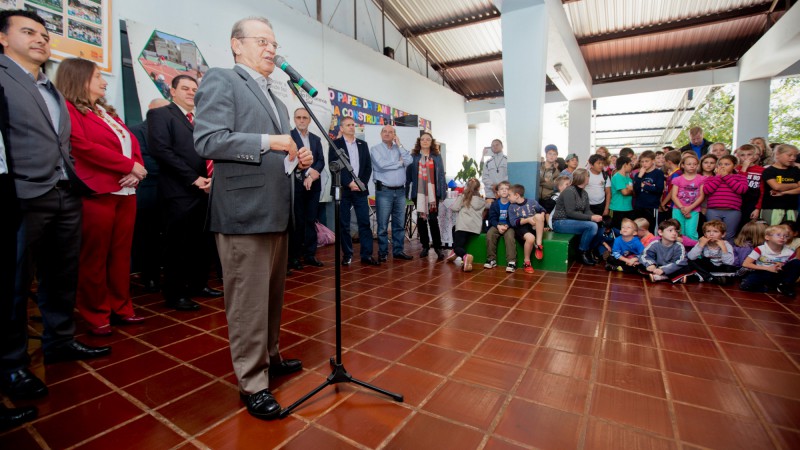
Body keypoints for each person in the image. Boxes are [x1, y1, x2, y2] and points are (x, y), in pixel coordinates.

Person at [192, 16, 311, 420]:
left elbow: (276, 157)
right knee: (246, 303)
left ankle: (271, 356)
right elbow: (208, 140)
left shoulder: (278, 100)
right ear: (236, 45)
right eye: (262, 41)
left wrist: (296, 157)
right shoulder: (222, 80)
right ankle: (252, 382)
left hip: (277, 210)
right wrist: (272, 141)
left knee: (271, 298)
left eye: (274, 43)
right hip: (242, 212)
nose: (271, 49)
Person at [1, 10, 110, 402]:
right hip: (22, 192)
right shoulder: (3, 77)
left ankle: (60, 340)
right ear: (2, 38)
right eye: (28, 32)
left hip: (64, 191)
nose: (40, 40)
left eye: (45, 35)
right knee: (14, 283)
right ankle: (12, 365)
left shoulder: (50, 88)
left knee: (61, 273)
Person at [57, 57, 147, 336]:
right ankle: (96, 312)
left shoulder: (107, 112)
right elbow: (81, 146)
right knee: (94, 256)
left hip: (126, 190)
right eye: (98, 77)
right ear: (79, 78)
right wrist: (126, 166)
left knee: (121, 254)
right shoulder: (69, 109)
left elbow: (130, 143)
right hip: (97, 191)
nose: (104, 82)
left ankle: (122, 306)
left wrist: (136, 169)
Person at [148, 74, 223, 312]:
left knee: (200, 244)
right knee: (177, 246)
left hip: (205, 190)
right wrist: (193, 178)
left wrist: (211, 179)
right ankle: (175, 294)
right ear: (172, 91)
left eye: (194, 89)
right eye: (186, 88)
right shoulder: (161, 115)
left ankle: (199, 285)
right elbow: (161, 150)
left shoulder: (199, 120)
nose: (191, 92)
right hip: (178, 192)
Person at [129, 98, 170, 292]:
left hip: (170, 193)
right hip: (148, 193)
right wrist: (175, 167)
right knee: (148, 238)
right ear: (150, 111)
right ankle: (150, 277)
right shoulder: (136, 131)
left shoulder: (172, 131)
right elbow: (143, 163)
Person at [330, 117, 377, 265]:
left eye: (353, 125)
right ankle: (347, 255)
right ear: (341, 128)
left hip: (360, 189)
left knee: (364, 222)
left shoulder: (363, 144)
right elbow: (333, 166)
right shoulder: (335, 144)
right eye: (348, 125)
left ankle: (366, 255)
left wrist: (360, 182)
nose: (351, 127)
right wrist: (349, 182)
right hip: (344, 189)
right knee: (344, 224)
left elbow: (368, 167)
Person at [289, 107, 325, 268]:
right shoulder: (289, 137)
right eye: (299, 117)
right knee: (297, 222)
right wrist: (307, 174)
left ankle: (310, 254)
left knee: (311, 220)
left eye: (305, 117)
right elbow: (289, 160)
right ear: (294, 119)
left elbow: (321, 161)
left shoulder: (316, 140)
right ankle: (295, 257)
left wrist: (311, 175)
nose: (302, 120)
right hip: (295, 186)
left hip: (313, 188)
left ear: (310, 120)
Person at [371, 124, 412, 261]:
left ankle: (398, 251)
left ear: (395, 135)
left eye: (391, 132)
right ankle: (382, 253)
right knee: (382, 225)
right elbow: (381, 166)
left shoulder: (398, 149)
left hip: (400, 192)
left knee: (399, 224)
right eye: (385, 131)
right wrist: (399, 163)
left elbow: (409, 160)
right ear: (381, 134)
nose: (387, 134)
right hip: (384, 192)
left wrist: (400, 145)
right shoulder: (375, 149)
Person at [551, 168, 605, 265]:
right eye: (588, 176)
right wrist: (591, 218)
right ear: (583, 178)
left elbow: (587, 210)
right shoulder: (569, 191)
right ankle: (582, 252)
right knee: (592, 226)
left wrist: (596, 217)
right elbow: (570, 212)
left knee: (601, 226)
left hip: (573, 221)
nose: (589, 178)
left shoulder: (584, 193)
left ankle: (589, 250)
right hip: (560, 222)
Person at [407, 132, 446, 259]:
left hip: (433, 194)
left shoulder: (437, 156)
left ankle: (438, 247)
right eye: (422, 139)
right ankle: (425, 246)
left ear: (431, 142)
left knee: (433, 220)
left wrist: (442, 192)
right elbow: (408, 175)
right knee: (421, 220)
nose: (425, 141)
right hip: (418, 194)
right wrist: (407, 191)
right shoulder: (413, 157)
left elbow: (441, 175)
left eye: (427, 139)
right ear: (419, 142)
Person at [740, 225, 799, 297]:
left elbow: (793, 266)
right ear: (767, 237)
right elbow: (746, 264)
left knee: (797, 262)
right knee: (746, 285)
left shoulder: (789, 252)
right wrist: (768, 268)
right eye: (778, 235)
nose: (782, 237)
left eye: (786, 236)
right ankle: (768, 287)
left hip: (779, 274)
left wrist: (782, 264)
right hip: (763, 272)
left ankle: (785, 285)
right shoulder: (760, 249)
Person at [703, 155, 747, 242]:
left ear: (734, 166)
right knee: (713, 234)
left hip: (733, 211)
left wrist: (726, 177)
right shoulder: (711, 178)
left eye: (727, 164)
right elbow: (707, 190)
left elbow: (741, 190)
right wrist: (719, 177)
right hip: (713, 210)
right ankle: (713, 254)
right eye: (720, 164)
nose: (722, 166)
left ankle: (728, 254)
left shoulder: (740, 177)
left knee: (729, 235)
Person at [446, 178, 485, 272]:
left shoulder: (463, 197)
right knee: (454, 229)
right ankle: (454, 253)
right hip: (475, 229)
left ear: (466, 187)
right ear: (478, 188)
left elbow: (455, 208)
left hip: (463, 227)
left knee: (457, 246)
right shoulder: (481, 200)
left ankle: (464, 256)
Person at [508, 184, 546, 273]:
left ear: (517, 195)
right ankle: (527, 262)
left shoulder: (532, 202)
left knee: (539, 216)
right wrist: (528, 220)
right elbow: (514, 223)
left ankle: (539, 245)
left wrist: (542, 216)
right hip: (521, 228)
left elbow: (542, 210)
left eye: (509, 195)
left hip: (533, 226)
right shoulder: (511, 207)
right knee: (531, 238)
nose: (508, 197)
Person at [687, 220, 739, 285]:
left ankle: (707, 276)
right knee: (690, 261)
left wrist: (723, 248)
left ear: (723, 234)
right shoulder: (703, 243)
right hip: (708, 268)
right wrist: (701, 245)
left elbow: (729, 262)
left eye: (715, 231)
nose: (711, 234)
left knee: (730, 268)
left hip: (721, 267)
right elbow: (691, 257)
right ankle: (709, 277)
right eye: (708, 231)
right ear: (705, 234)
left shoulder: (726, 245)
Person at [640, 219, 692, 283]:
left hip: (671, 268)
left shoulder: (679, 246)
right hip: (657, 266)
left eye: (676, 231)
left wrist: (664, 269)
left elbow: (679, 262)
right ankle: (672, 278)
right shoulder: (654, 244)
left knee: (685, 267)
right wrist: (650, 264)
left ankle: (664, 277)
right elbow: (645, 255)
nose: (674, 233)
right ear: (660, 232)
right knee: (641, 265)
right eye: (670, 230)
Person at [760, 144, 799, 225]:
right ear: (777, 154)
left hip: (792, 208)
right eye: (789, 155)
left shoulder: (796, 171)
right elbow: (777, 186)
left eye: (795, 156)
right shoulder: (769, 171)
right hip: (772, 208)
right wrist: (795, 185)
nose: (793, 158)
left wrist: (783, 192)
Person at [670, 153, 706, 241]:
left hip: (693, 210)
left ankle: (694, 252)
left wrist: (689, 208)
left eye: (695, 164)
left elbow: (702, 196)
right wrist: (682, 208)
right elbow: (673, 196)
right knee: (679, 232)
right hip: (678, 209)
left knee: (691, 233)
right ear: (683, 165)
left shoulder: (701, 179)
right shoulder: (677, 179)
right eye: (689, 164)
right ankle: (680, 251)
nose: (692, 166)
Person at [484, 181, 516, 272]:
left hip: (509, 226)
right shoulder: (494, 204)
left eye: (507, 189)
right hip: (497, 225)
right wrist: (498, 226)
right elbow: (492, 218)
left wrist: (507, 226)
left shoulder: (512, 203)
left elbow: (514, 217)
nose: (504, 191)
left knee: (509, 237)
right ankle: (491, 259)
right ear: (498, 192)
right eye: (502, 189)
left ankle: (511, 262)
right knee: (490, 234)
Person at [734, 144, 765, 232]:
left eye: (749, 154)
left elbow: (762, 191)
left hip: (752, 203)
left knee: (748, 227)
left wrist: (757, 208)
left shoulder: (761, 170)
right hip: (738, 201)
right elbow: (738, 185)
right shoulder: (736, 169)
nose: (746, 157)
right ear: (738, 156)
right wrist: (744, 169)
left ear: (755, 155)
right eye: (742, 155)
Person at [632, 150, 664, 232]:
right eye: (642, 162)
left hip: (651, 206)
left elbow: (659, 189)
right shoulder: (639, 174)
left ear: (653, 161)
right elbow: (636, 190)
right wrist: (639, 176)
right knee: (639, 228)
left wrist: (645, 186)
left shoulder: (658, 173)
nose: (644, 164)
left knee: (651, 228)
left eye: (646, 161)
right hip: (639, 205)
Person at [609, 156, 634, 230]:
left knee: (628, 230)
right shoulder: (617, 177)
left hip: (629, 208)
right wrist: (631, 189)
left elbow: (634, 192)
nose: (631, 167)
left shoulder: (629, 179)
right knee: (618, 230)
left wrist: (631, 189)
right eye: (630, 164)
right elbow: (625, 192)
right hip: (618, 208)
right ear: (625, 165)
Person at [482, 139, 507, 203]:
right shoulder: (488, 162)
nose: (495, 147)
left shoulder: (508, 160)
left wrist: (500, 186)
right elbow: (485, 177)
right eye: (493, 146)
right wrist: (492, 186)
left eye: (497, 145)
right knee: (492, 212)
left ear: (502, 146)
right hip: (491, 194)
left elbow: (510, 175)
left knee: (504, 212)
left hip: (505, 193)